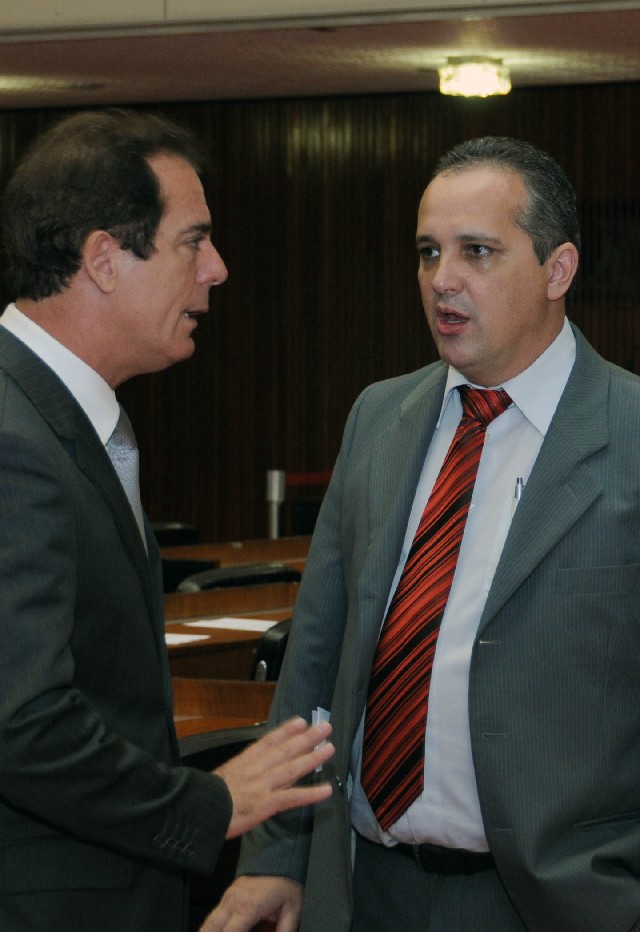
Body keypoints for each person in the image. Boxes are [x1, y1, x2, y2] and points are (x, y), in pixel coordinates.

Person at [205, 136, 640, 932]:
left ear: (559, 270)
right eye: (428, 252)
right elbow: (315, 655)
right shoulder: (380, 416)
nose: (443, 279)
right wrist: (276, 855)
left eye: (477, 252)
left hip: (557, 901)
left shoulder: (629, 434)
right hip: (367, 887)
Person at [0, 108, 334, 932]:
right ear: (103, 260)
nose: (217, 270)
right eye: (194, 242)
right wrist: (210, 804)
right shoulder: (14, 442)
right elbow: (21, 723)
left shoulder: (59, 418)